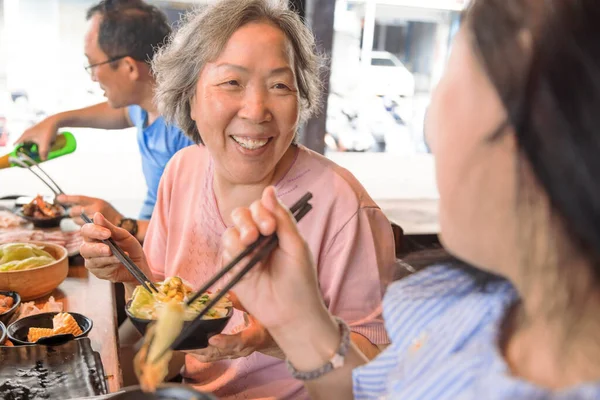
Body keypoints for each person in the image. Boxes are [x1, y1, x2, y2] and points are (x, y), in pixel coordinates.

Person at [215, 0, 600, 398]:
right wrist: (297, 318)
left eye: (454, 82)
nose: (431, 124)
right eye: (230, 83)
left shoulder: (339, 199)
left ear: (553, 136)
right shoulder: (481, 306)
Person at [79, 0, 396, 398]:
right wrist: (136, 278)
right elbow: (175, 346)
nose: (257, 109)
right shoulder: (182, 171)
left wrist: (273, 338)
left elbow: (375, 373)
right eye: (232, 82)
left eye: (280, 85)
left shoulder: (342, 206)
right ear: (190, 96)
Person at [16, 0, 194, 241]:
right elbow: (121, 114)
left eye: (94, 64)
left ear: (129, 67)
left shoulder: (187, 131)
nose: (92, 77)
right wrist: (57, 120)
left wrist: (121, 223)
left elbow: (194, 233)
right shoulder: (146, 106)